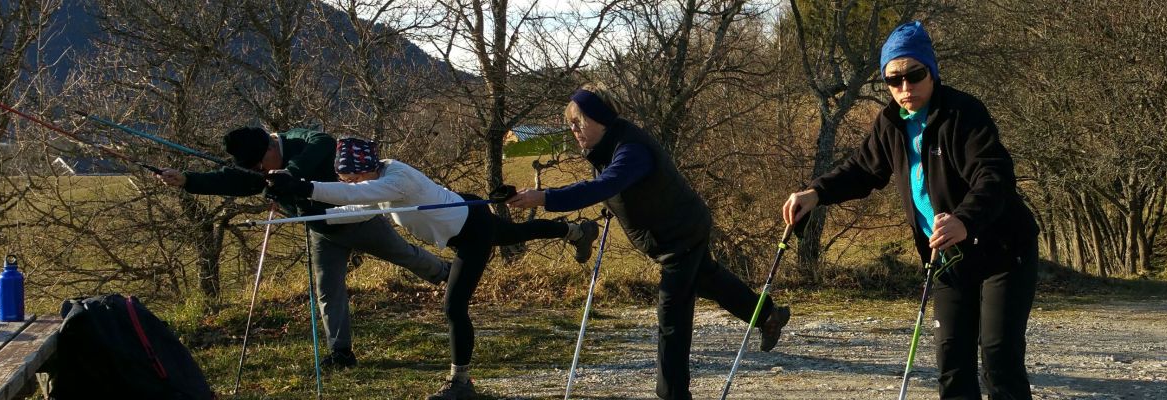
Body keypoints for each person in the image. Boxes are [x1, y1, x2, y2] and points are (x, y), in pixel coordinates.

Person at [781, 21, 1041, 399]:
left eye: (914, 75)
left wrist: (964, 219)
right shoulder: (890, 124)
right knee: (951, 362)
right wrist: (815, 194)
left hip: (1003, 250)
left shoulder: (963, 113)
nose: (905, 88)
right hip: (949, 258)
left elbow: (994, 176)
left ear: (931, 72)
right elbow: (862, 169)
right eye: (893, 79)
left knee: (998, 359)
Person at [504, 84, 790, 400]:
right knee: (708, 280)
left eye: (578, 122)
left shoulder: (631, 150)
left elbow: (606, 184)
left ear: (600, 120)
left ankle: (672, 395)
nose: (573, 129)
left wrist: (543, 197)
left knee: (672, 317)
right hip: (673, 233)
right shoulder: (606, 146)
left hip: (680, 236)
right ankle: (768, 316)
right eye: (570, 123)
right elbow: (617, 187)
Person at [262, 138, 600, 399]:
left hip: (471, 233)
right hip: (464, 216)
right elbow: (353, 210)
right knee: (516, 233)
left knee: (454, 306)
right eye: (345, 180)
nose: (350, 186)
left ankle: (461, 383)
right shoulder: (378, 183)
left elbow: (367, 194)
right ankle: (575, 231)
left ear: (365, 169)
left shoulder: (396, 178)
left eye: (351, 179)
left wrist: (305, 187)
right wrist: (304, 209)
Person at [155, 127, 449, 368]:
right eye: (255, 168)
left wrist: (290, 174)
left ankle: (447, 274)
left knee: (404, 255)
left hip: (357, 220)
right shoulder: (260, 164)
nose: (259, 171)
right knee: (327, 288)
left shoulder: (300, 140)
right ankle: (341, 353)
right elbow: (234, 181)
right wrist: (188, 180)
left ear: (271, 149)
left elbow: (325, 142)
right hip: (321, 230)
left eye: (260, 165)